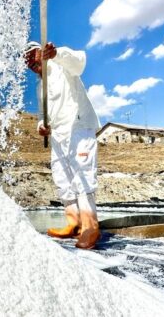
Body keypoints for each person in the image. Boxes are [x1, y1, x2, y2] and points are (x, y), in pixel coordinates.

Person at [24, 41, 101, 249]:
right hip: (58, 135)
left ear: (41, 52)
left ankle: (90, 227)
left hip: (78, 127)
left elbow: (79, 63)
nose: (30, 62)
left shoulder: (61, 65)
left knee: (82, 175)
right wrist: (42, 125)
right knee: (62, 179)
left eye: (32, 55)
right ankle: (73, 223)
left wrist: (56, 54)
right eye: (27, 60)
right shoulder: (41, 86)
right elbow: (43, 114)